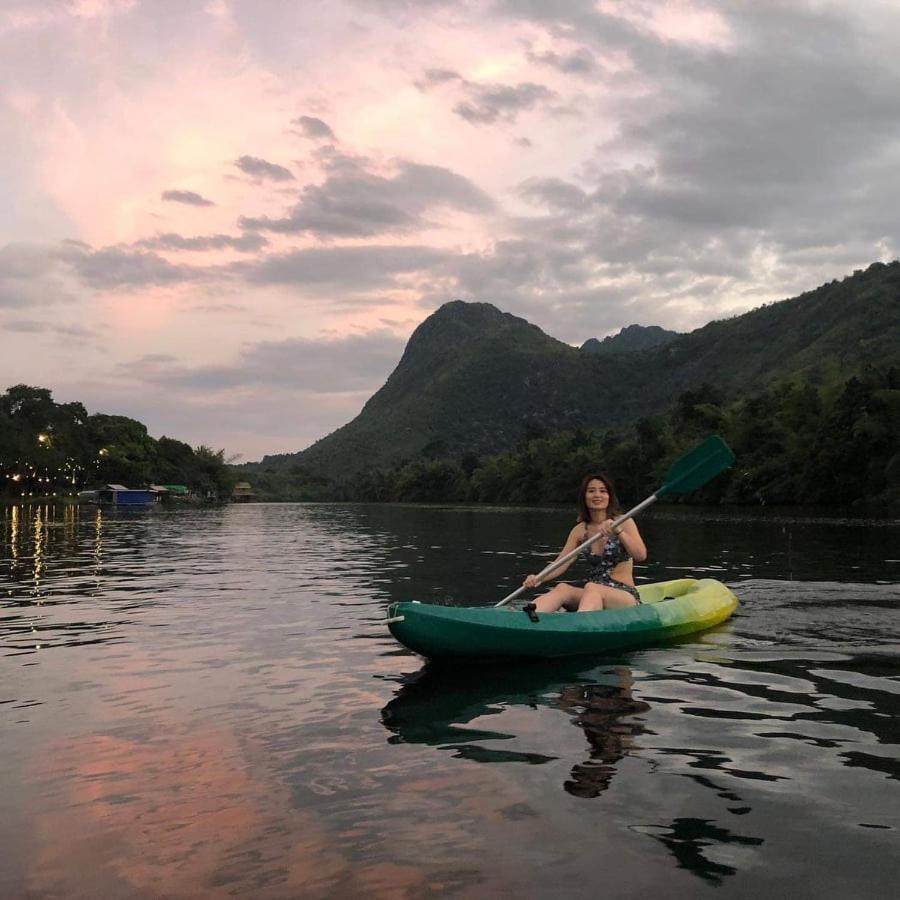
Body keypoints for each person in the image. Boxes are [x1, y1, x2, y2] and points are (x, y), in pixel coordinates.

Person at [523, 473, 647, 612]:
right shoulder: (579, 530)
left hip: (624, 596)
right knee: (563, 588)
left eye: (603, 491)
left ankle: (579, 628)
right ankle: (526, 618)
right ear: (584, 496)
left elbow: (640, 555)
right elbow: (562, 562)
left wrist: (618, 531)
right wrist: (539, 578)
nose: (597, 495)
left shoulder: (624, 521)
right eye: (591, 491)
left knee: (591, 587)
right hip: (592, 595)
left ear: (609, 496)